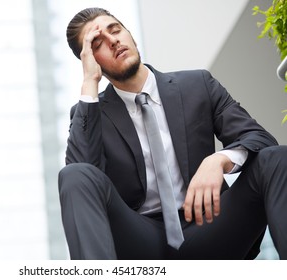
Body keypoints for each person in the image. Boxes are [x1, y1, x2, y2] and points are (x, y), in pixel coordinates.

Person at [58, 7, 287, 260]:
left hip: (210, 226)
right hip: (141, 240)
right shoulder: (90, 114)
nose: (113, 41)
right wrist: (89, 82)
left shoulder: (197, 85)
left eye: (116, 30)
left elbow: (262, 140)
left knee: (275, 159)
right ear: (90, 59)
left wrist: (219, 160)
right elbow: (82, 180)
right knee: (73, 174)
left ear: (130, 34)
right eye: (98, 43)